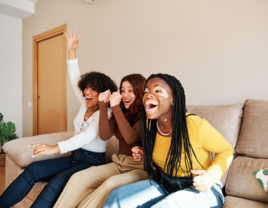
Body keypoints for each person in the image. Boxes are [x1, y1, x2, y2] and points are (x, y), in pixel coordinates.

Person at [0, 29, 118, 208]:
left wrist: (54, 148)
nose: (86, 91)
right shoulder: (85, 103)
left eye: (92, 89)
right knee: (33, 170)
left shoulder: (105, 113)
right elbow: (74, 78)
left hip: (91, 162)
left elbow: (85, 137)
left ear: (102, 93)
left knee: (55, 184)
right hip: (74, 156)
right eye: (86, 87)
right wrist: (72, 51)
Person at [103, 73, 233, 208]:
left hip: (200, 188)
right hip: (164, 182)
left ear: (173, 98)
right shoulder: (151, 125)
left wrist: (211, 176)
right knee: (117, 197)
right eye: (146, 92)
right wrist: (145, 153)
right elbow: (165, 152)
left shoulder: (195, 125)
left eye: (158, 91)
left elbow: (226, 150)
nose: (149, 95)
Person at [54, 73, 147, 208]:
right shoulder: (121, 111)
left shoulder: (147, 114)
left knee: (110, 184)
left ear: (140, 92)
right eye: (122, 91)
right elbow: (104, 135)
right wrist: (103, 106)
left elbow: (130, 137)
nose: (125, 94)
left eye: (130, 91)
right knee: (77, 178)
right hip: (119, 163)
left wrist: (115, 108)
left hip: (140, 168)